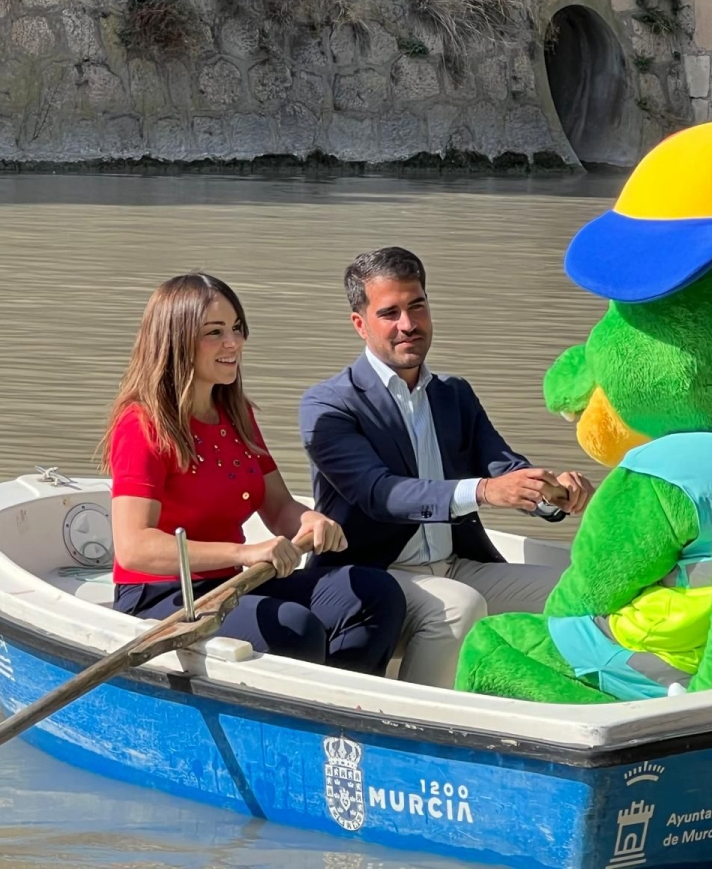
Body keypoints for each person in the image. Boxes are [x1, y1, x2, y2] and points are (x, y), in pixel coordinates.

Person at [298, 246, 595, 689]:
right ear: (360, 324)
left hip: (458, 563)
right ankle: (420, 730)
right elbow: (380, 494)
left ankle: (548, 708)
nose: (408, 324)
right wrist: (484, 492)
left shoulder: (453, 393)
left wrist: (554, 493)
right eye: (390, 312)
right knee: (460, 606)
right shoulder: (330, 404)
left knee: (581, 591)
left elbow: (504, 466)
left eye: (417, 305)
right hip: (375, 577)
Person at [97, 272, 406, 675]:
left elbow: (277, 506)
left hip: (229, 585)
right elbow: (134, 547)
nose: (233, 343)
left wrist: (310, 519)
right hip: (160, 597)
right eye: (215, 332)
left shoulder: (236, 413)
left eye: (237, 328)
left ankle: (344, 713)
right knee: (294, 630)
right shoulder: (141, 424)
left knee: (374, 593)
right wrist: (243, 553)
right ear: (175, 339)